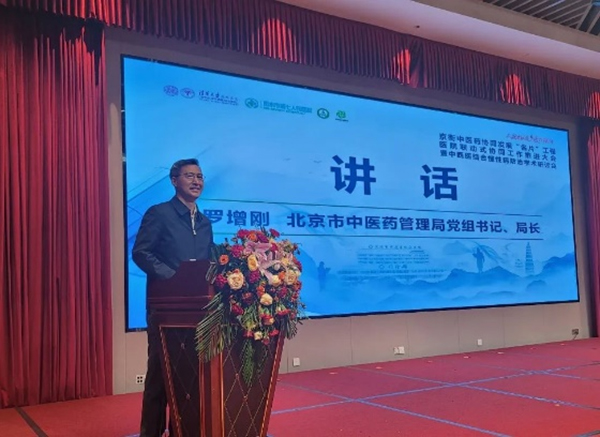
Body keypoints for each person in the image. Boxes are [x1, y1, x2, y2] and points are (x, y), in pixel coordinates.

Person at [132, 158, 214, 437]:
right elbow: (141, 252)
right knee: (160, 373)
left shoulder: (205, 223)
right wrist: (172, 277)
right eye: (189, 176)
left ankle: (181, 429)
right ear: (174, 180)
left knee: (190, 375)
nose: (196, 181)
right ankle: (150, 433)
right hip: (166, 309)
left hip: (198, 311)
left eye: (200, 176)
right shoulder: (159, 213)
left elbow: (208, 262)